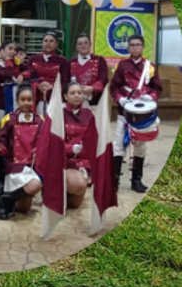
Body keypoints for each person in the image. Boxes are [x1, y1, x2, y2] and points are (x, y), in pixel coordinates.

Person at [108, 35, 162, 193]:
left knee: (141, 145)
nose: (135, 47)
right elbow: (114, 87)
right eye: (132, 45)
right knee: (118, 144)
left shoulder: (150, 66)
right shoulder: (122, 65)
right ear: (128, 47)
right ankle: (115, 179)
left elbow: (157, 88)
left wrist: (150, 96)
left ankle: (136, 180)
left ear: (142, 47)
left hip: (143, 113)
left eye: (138, 45)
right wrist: (120, 99)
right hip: (124, 111)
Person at [0, 86, 47, 220]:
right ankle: (9, 199)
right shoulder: (9, 119)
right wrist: (0, 148)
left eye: (29, 100)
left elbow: (43, 142)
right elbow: (3, 141)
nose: (26, 103)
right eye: (23, 99)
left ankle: (6, 200)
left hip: (32, 167)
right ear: (17, 101)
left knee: (24, 208)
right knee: (29, 197)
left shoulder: (40, 120)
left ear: (33, 101)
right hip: (15, 166)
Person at [60, 86, 99, 212]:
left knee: (74, 205)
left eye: (79, 92)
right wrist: (71, 148)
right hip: (66, 161)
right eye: (72, 93)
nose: (77, 95)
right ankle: (57, 186)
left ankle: (66, 189)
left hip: (84, 161)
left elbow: (94, 139)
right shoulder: (59, 114)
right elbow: (53, 143)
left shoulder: (89, 114)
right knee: (78, 185)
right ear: (66, 96)